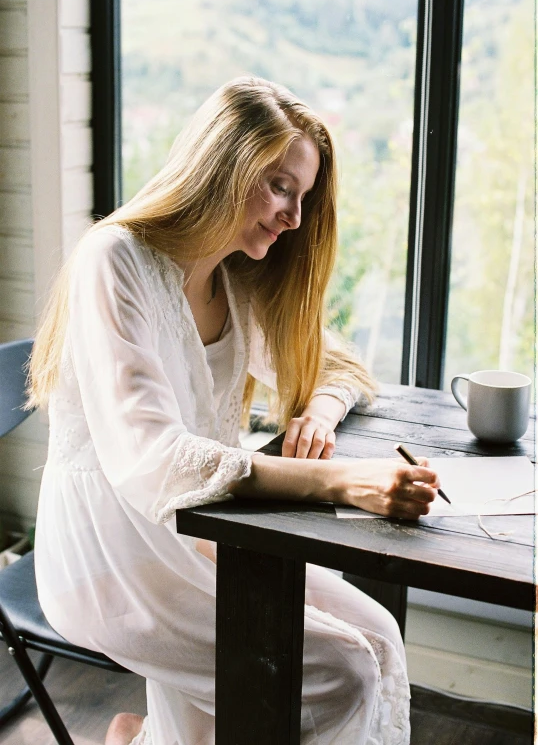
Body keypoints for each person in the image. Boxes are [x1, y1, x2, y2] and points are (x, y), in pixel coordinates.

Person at [28, 76, 440, 745]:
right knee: (345, 672)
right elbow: (151, 462)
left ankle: (138, 738)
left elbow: (342, 369)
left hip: (202, 535)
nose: (294, 219)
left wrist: (320, 413)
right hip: (109, 554)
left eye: (302, 197)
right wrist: (346, 484)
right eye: (281, 187)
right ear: (222, 166)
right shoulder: (116, 261)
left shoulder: (235, 276)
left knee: (380, 637)